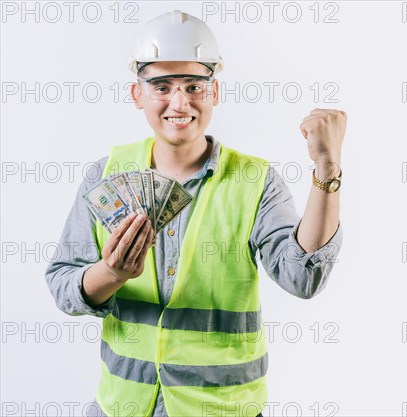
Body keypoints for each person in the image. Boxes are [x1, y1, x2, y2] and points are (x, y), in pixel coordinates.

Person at [45, 10, 345, 417]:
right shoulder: (106, 174)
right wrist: (111, 273)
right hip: (123, 407)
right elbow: (64, 286)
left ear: (214, 92)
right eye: (162, 86)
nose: (179, 102)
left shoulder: (255, 180)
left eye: (193, 86)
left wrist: (326, 171)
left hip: (222, 408)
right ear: (138, 95)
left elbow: (302, 277)